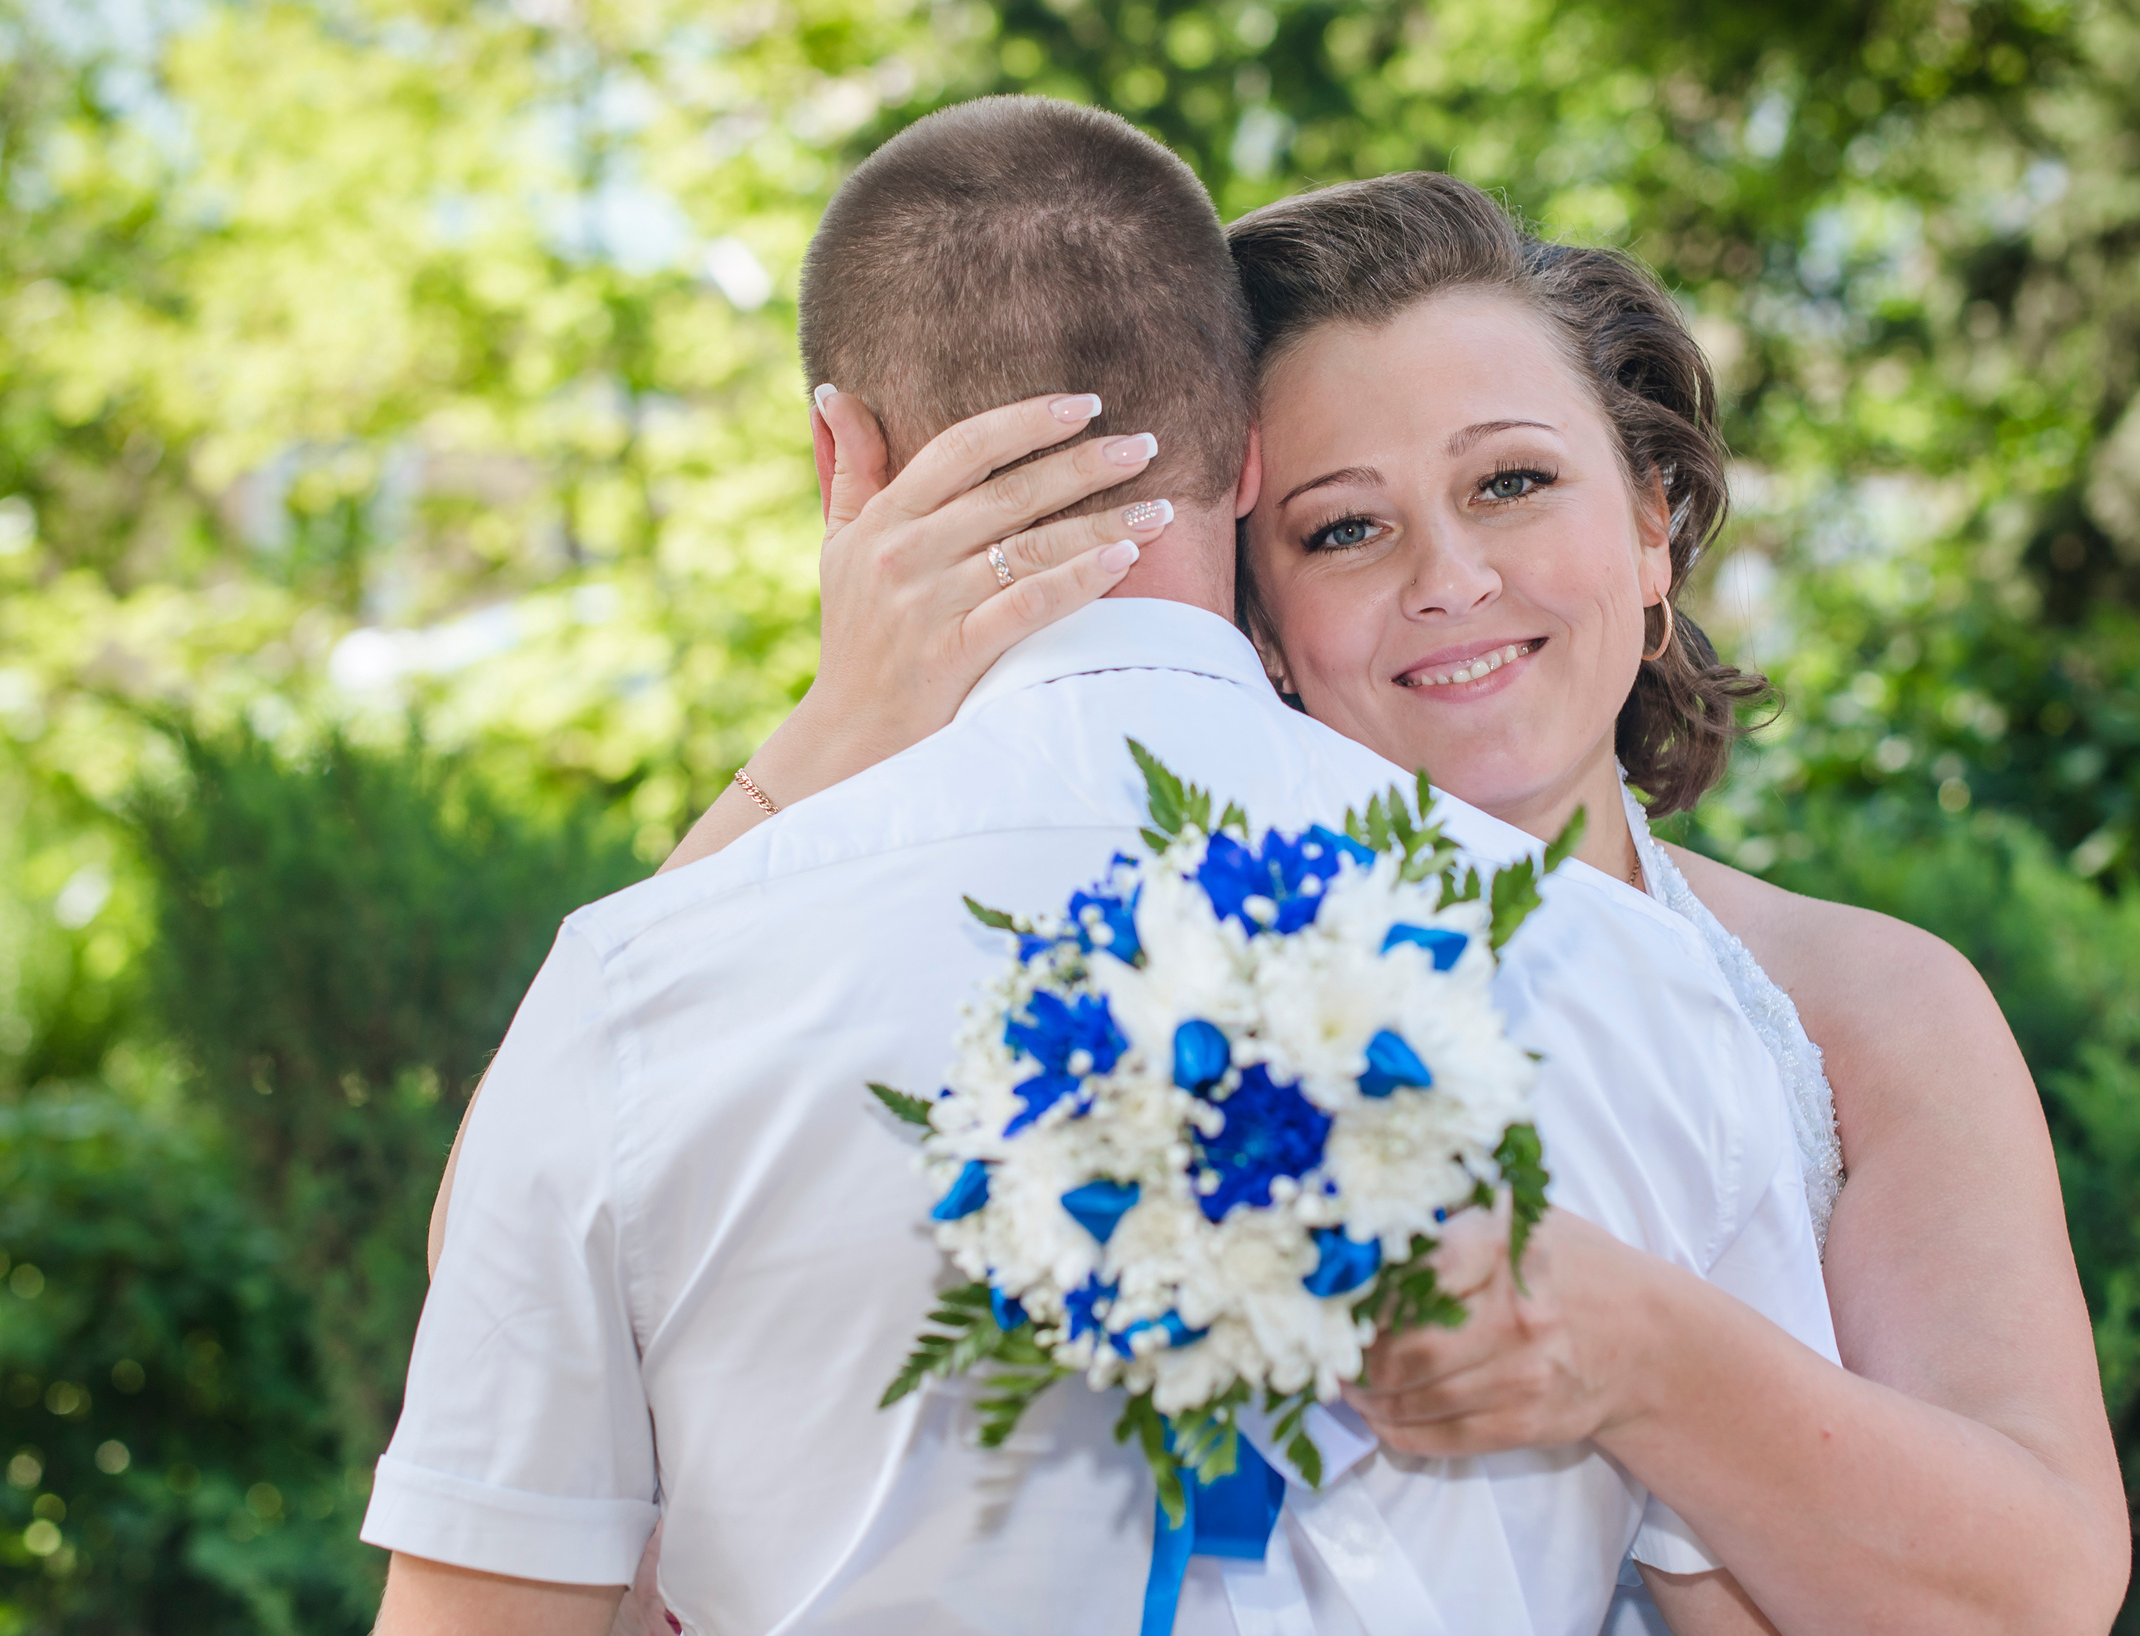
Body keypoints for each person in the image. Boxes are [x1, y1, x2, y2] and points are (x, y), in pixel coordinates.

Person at [373, 95, 1838, 1636]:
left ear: (842, 458)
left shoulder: (647, 982)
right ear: (1250, 454)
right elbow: (1743, 1601)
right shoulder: (1623, 969)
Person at [631, 167, 2136, 1629]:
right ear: (1260, 621)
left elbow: (2035, 1594)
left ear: (1651, 523)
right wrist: (842, 724)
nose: (1452, 577)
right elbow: (572, 1215)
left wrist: (1635, 1352)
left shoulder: (1865, 1003)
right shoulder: (1124, 1008)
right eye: (1345, 527)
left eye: (1513, 481)